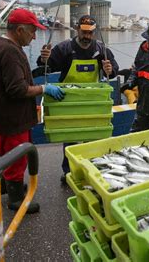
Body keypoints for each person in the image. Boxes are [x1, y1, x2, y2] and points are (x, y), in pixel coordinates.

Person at [0, 8, 65, 214]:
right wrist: (44, 88)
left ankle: (9, 186)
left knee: (9, 157)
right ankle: (16, 200)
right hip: (13, 120)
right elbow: (17, 89)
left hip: (1, 118)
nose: (34, 35)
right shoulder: (10, 51)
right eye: (32, 31)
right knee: (17, 159)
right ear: (20, 29)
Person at [36, 15, 119, 184]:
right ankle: (69, 172)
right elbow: (46, 66)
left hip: (92, 100)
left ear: (94, 33)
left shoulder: (102, 50)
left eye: (90, 33)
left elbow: (114, 70)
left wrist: (110, 69)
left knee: (93, 137)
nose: (86, 36)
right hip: (69, 101)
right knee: (71, 138)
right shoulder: (64, 48)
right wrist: (43, 58)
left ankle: (91, 170)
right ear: (77, 29)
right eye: (83, 32)